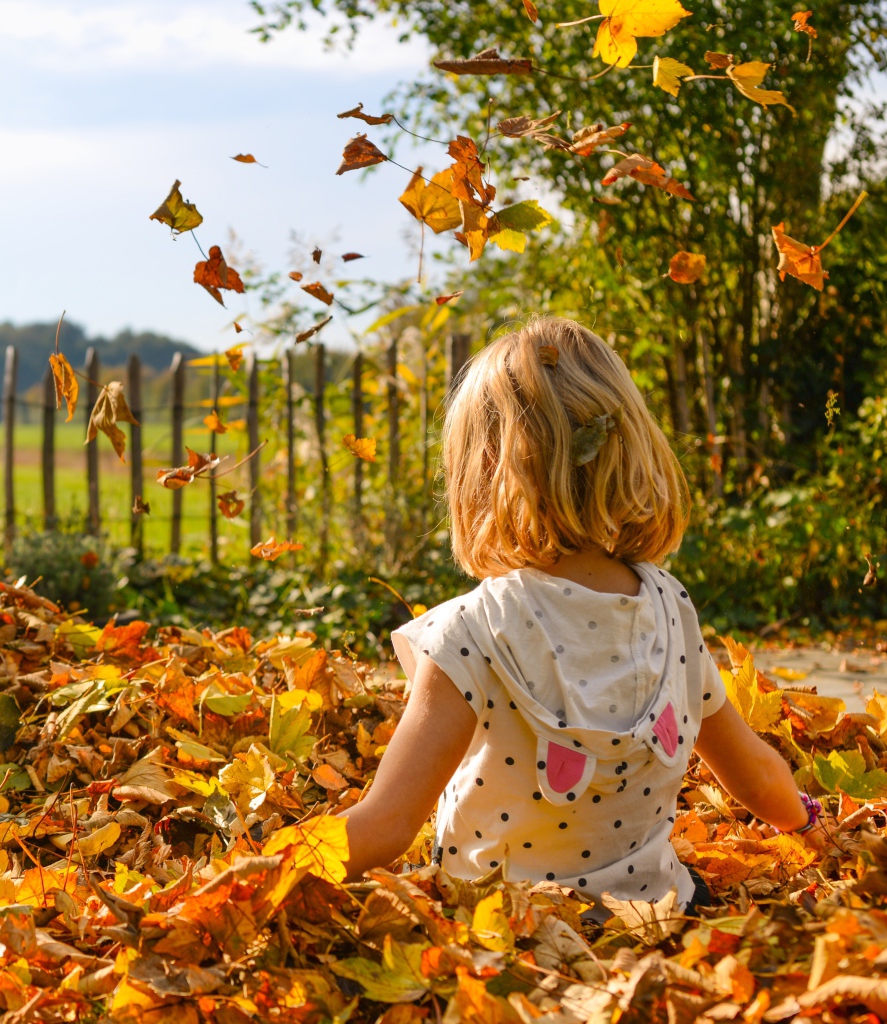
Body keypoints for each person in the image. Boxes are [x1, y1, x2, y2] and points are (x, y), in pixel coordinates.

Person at [339, 316, 819, 916]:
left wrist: (258, 871)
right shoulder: (671, 607)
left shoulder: (472, 632)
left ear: (485, 472)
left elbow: (386, 825)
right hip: (658, 915)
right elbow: (755, 776)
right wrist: (809, 824)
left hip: (508, 933)